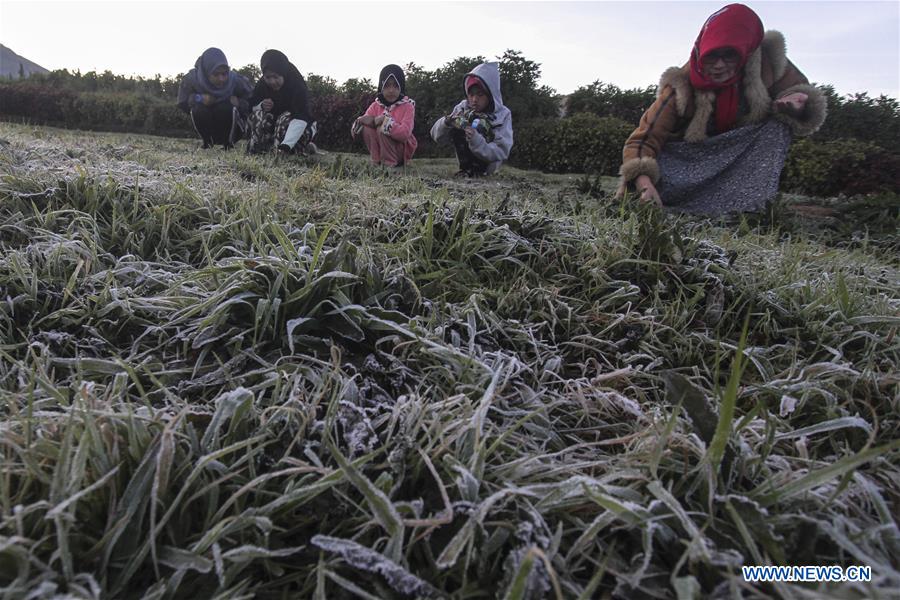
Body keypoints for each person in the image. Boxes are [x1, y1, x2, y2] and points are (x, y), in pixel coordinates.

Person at [616, 3, 827, 214]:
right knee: (656, 177)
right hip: (687, 166)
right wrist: (644, 183)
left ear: (746, 52)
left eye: (729, 55)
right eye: (711, 56)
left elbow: (802, 93)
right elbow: (643, 138)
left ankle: (748, 209)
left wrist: (798, 104)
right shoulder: (680, 86)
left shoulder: (770, 65)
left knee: (777, 126)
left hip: (737, 155)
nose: (718, 65)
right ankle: (665, 199)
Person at [430, 62, 513, 177]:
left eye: (480, 95)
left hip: (488, 167)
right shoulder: (463, 107)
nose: (474, 100)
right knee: (457, 128)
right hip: (466, 165)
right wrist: (446, 123)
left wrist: (476, 139)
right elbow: (436, 137)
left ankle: (478, 171)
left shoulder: (503, 114)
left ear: (490, 94)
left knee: (480, 127)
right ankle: (466, 169)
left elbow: (501, 152)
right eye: (471, 94)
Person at [177, 48, 252, 149]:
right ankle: (207, 142)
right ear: (207, 72)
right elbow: (182, 102)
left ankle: (228, 144)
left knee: (224, 108)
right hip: (207, 122)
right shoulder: (192, 79)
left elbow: (253, 99)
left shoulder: (236, 81)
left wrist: (239, 103)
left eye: (224, 74)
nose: (221, 79)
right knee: (198, 109)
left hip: (231, 127)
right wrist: (198, 98)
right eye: (216, 74)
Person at [247, 49, 317, 155]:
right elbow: (250, 106)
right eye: (268, 77)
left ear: (283, 73)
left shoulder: (297, 85)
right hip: (274, 127)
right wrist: (261, 105)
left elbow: (302, 117)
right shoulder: (262, 85)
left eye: (276, 77)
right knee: (258, 114)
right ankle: (258, 149)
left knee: (284, 119)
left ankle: (299, 147)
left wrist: (285, 146)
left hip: (300, 124)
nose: (272, 82)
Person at [351, 64, 417, 167]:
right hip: (381, 151)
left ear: (401, 87)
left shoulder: (408, 106)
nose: (391, 90)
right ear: (381, 87)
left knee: (382, 127)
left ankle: (389, 164)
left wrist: (385, 121)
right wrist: (360, 122)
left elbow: (405, 134)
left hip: (400, 152)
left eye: (395, 85)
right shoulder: (375, 105)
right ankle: (376, 161)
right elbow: (358, 130)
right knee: (367, 127)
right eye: (387, 86)